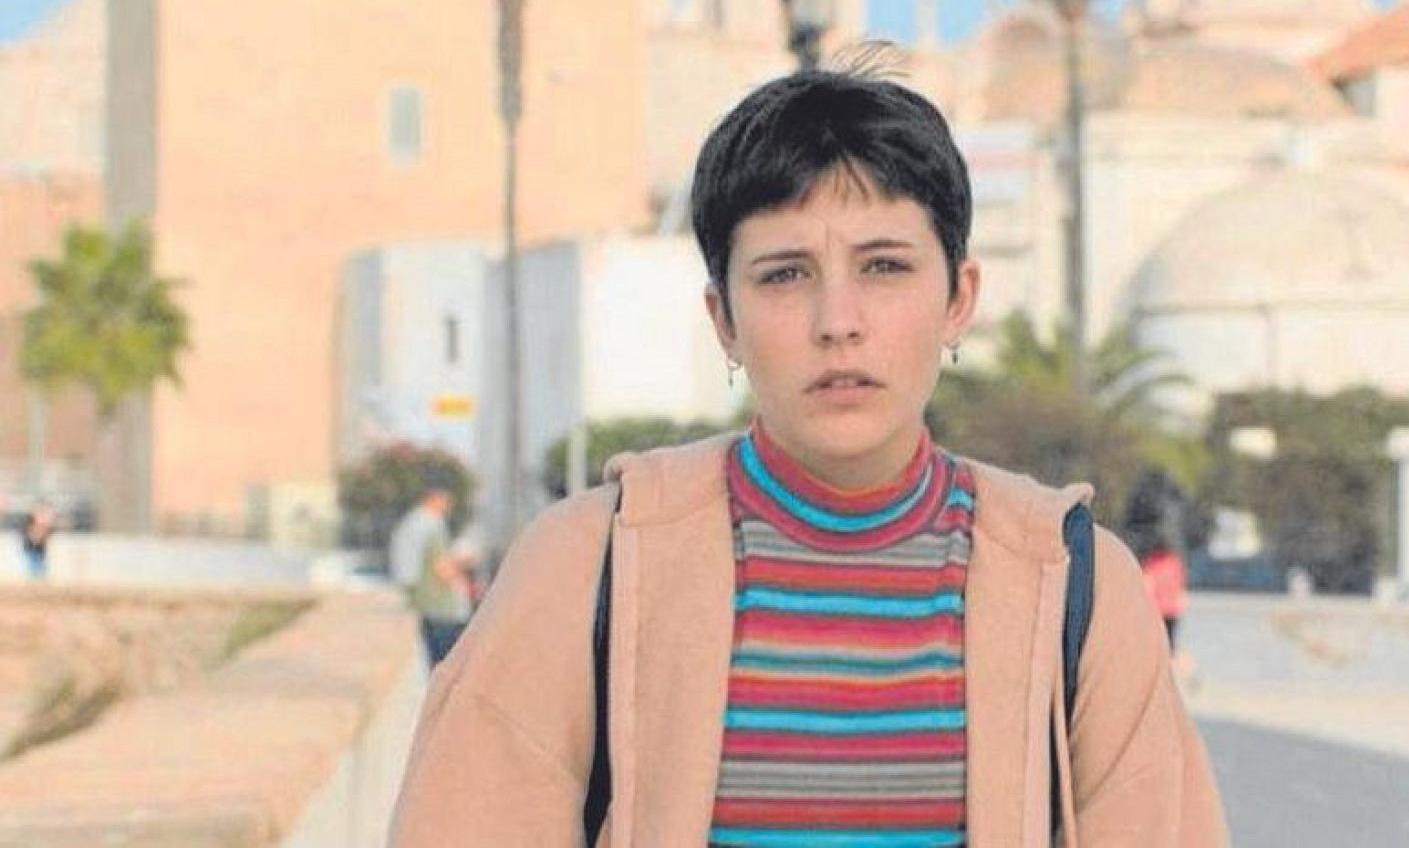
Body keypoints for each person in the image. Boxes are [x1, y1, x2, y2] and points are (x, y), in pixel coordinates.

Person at [391, 67, 1227, 845]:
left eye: (885, 267)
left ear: (958, 298)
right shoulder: (588, 565)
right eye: (785, 275)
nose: (839, 320)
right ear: (724, 318)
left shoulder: (1074, 582)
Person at [388, 485, 473, 667]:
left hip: (425, 604)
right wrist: (464, 563)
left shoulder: (410, 523)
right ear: (437, 498)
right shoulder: (432, 526)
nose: (448, 507)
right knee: (449, 667)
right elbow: (442, 570)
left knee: (435, 665)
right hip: (445, 607)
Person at [1139, 539, 1188, 650]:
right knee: (1169, 641)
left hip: (1158, 610)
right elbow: (1180, 583)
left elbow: (1147, 584)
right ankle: (1169, 660)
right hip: (1170, 609)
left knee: (1156, 642)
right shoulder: (1174, 562)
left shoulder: (1151, 562)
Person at [20, 502, 56, 581]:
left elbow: (45, 537)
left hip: (39, 549)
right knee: (33, 568)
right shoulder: (29, 524)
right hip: (31, 548)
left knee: (40, 568)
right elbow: (28, 536)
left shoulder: (43, 525)